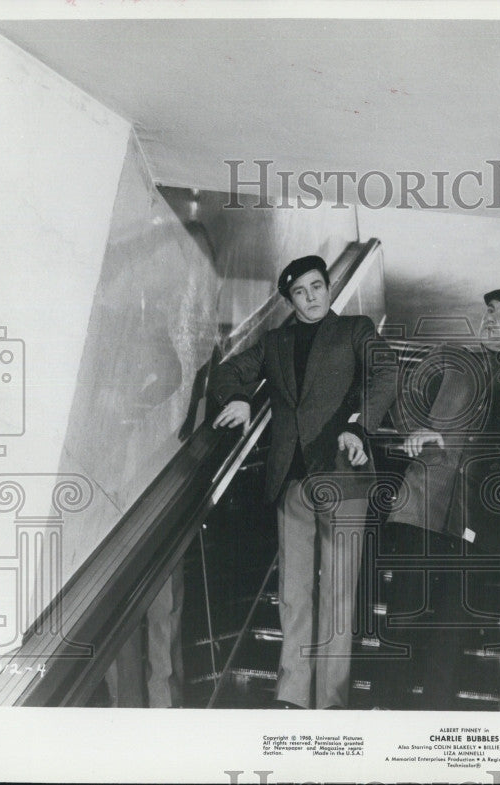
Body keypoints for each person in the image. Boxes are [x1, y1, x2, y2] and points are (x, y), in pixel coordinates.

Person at [210, 255, 396, 709]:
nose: (312, 297)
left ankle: (330, 700)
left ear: (329, 288)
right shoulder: (274, 342)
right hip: (291, 481)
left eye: (317, 287)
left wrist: (359, 424)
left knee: (338, 593)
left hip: (342, 476)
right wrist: (239, 399)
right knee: (293, 594)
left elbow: (387, 373)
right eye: (301, 292)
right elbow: (229, 370)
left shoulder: (355, 330)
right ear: (289, 300)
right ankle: (292, 694)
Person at [387, 289, 500, 708]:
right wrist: (415, 429)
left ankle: (435, 718)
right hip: (422, 505)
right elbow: (402, 407)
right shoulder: (448, 359)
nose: (491, 319)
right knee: (402, 614)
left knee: (451, 627)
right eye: (489, 312)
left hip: (478, 518)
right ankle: (386, 709)